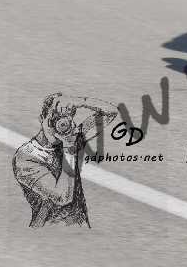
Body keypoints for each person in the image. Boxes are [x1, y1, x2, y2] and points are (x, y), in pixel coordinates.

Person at [12, 93, 121, 227]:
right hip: (48, 231)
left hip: (80, 230)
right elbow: (62, 197)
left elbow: (111, 112)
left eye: (64, 120)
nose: (58, 126)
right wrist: (69, 148)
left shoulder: (70, 137)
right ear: (41, 118)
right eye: (53, 119)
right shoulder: (26, 157)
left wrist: (80, 101)